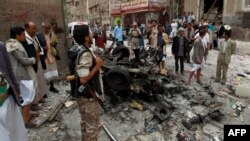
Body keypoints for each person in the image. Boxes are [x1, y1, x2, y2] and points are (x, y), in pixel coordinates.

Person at [70, 25, 103, 141]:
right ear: (85, 37)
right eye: (90, 33)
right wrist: (97, 66)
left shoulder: (76, 48)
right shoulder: (85, 53)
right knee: (92, 128)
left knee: (85, 123)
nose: (91, 35)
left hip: (81, 95)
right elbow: (83, 79)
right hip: (88, 95)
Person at [6, 27, 37, 126]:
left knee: (26, 95)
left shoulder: (12, 43)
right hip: (20, 74)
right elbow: (23, 60)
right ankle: (26, 120)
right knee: (29, 95)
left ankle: (26, 115)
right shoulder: (14, 45)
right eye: (23, 35)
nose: (24, 37)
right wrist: (33, 59)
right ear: (17, 36)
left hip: (18, 74)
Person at [0, 41, 28, 141]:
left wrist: (16, 89)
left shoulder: (1, 46)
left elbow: (9, 70)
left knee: (17, 133)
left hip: (8, 99)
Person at [23, 22, 48, 105]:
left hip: (38, 61)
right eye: (32, 28)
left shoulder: (33, 37)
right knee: (33, 82)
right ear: (26, 28)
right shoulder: (25, 38)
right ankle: (34, 102)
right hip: (31, 63)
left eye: (35, 28)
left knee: (40, 80)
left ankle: (40, 96)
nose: (34, 30)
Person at [36, 22, 59, 93]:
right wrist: (43, 48)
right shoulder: (38, 35)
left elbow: (55, 43)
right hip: (44, 57)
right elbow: (36, 46)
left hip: (51, 55)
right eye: (46, 28)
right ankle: (44, 90)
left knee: (52, 72)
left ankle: (52, 86)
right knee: (45, 73)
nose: (47, 30)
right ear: (42, 27)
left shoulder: (52, 34)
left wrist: (54, 44)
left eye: (49, 28)